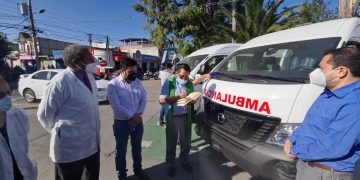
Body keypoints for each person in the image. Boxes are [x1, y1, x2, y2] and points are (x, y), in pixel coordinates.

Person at [283, 47, 360, 180]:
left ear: (341, 71)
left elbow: (334, 146)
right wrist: (292, 139)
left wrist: (297, 150)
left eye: (321, 68)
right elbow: (310, 122)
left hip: (326, 173)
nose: (316, 72)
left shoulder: (354, 103)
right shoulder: (329, 91)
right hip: (308, 165)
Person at [37, 45, 100, 180]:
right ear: (75, 62)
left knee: (92, 177)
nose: (91, 59)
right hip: (69, 149)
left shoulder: (90, 77)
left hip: (92, 145)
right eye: (88, 57)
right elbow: (44, 115)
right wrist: (63, 132)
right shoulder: (59, 82)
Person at [107, 57, 150, 180]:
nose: (134, 75)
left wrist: (138, 115)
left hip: (137, 121)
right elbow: (115, 105)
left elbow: (143, 99)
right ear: (123, 69)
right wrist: (132, 115)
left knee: (137, 148)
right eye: (131, 72)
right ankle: (122, 175)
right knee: (120, 152)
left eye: (135, 71)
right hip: (121, 124)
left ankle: (138, 170)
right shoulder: (113, 84)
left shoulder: (137, 82)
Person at [159, 63, 195, 177]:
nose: (184, 79)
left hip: (185, 116)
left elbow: (191, 97)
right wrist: (178, 97)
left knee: (185, 142)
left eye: (186, 76)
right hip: (172, 117)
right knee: (171, 142)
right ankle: (171, 164)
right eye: (182, 76)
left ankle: (184, 161)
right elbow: (162, 100)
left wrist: (192, 100)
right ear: (176, 73)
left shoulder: (189, 83)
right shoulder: (169, 83)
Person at [0, 76, 37, 180]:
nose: (7, 98)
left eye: (8, 93)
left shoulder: (19, 115)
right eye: (1, 95)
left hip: (24, 174)